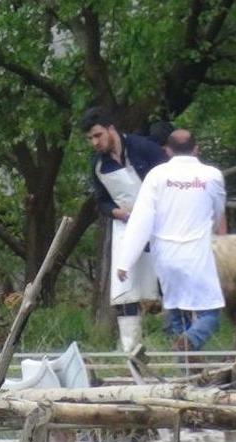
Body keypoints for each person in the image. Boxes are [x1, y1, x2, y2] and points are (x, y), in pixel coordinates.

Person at [116, 129, 227, 352]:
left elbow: (141, 220)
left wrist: (125, 261)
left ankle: (185, 363)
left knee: (177, 312)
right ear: (196, 149)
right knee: (210, 314)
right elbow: (218, 212)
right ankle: (191, 340)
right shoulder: (212, 176)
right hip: (198, 256)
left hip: (166, 257)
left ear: (167, 150)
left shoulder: (157, 176)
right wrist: (212, 231)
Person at [80, 107, 166, 351]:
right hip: (125, 229)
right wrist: (116, 212)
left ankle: (182, 347)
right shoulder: (98, 165)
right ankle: (132, 350)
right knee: (125, 288)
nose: (95, 142)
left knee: (168, 280)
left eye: (98, 135)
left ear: (111, 129)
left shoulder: (145, 148)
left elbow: (169, 182)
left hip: (159, 226)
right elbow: (102, 201)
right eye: (90, 138)